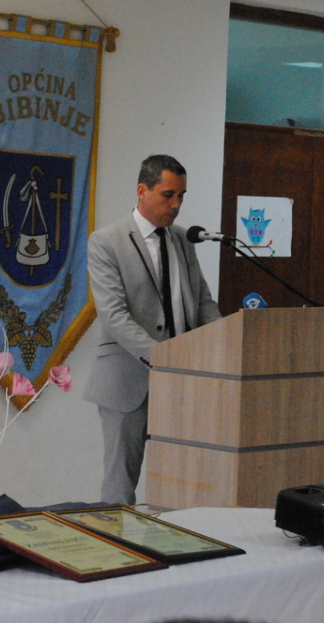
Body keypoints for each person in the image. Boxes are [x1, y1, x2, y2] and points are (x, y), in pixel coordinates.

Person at [84, 154, 223, 504]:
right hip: (128, 381)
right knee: (120, 485)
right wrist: (162, 358)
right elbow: (113, 316)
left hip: (183, 381)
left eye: (182, 196)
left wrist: (225, 344)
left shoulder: (183, 239)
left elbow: (203, 303)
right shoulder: (107, 241)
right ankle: (114, 539)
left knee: (182, 479)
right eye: (168, 195)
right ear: (142, 190)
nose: (176, 205)